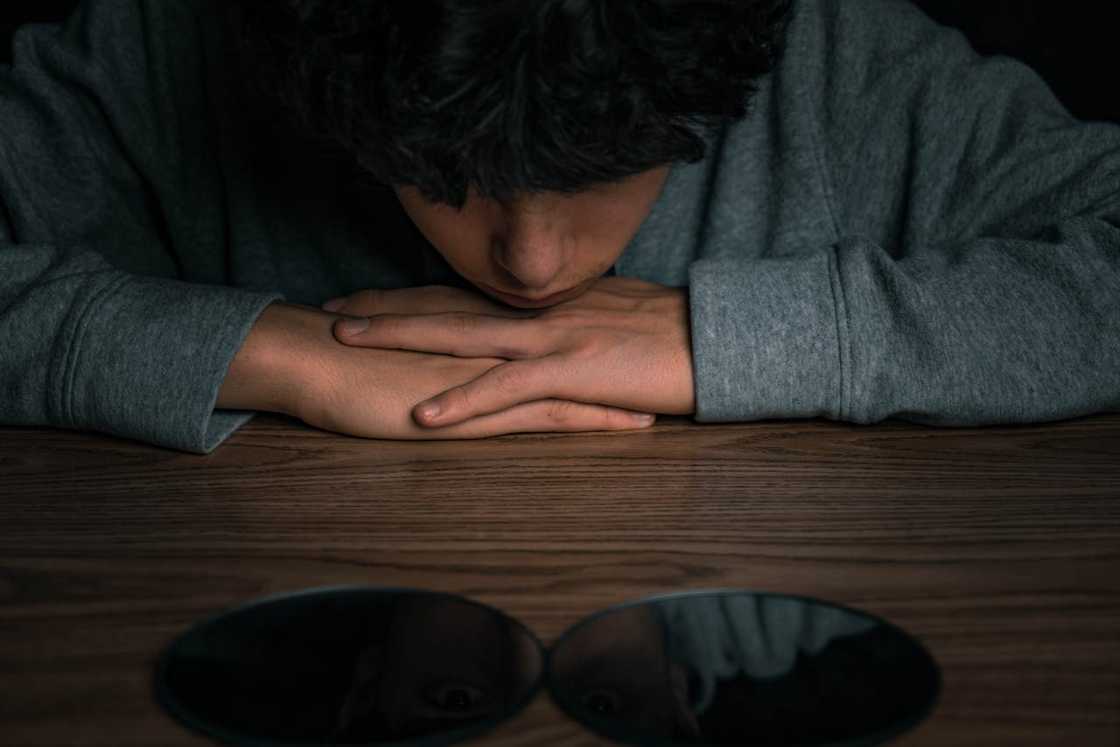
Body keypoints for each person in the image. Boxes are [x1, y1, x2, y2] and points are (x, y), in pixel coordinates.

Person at [1, 0, 1117, 454]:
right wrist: (272, 352)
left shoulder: (844, 61)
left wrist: (715, 339)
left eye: (609, 168)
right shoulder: (166, 46)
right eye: (441, 173)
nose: (532, 264)